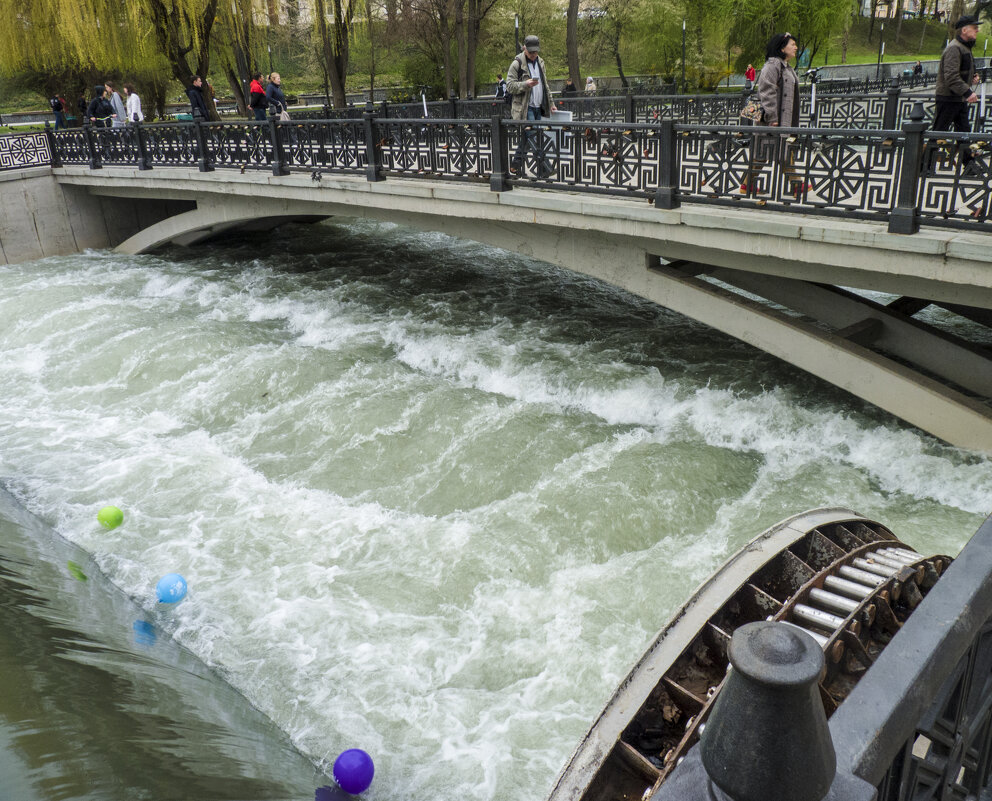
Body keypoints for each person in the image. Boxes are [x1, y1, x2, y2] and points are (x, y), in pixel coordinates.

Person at [742, 32, 803, 195]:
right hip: (771, 121)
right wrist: (772, 117)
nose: (795, 47)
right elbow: (766, 92)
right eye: (792, 44)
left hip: (782, 120)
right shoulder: (772, 65)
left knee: (774, 152)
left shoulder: (785, 66)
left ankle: (747, 184)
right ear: (782, 48)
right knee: (772, 152)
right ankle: (797, 184)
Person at [933, 15, 982, 173]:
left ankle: (970, 167)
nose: (977, 30)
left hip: (957, 99)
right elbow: (951, 77)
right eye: (974, 28)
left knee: (964, 133)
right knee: (937, 134)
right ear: (964, 29)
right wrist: (968, 92)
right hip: (948, 99)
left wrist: (972, 78)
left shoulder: (964, 47)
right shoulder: (954, 48)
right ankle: (922, 166)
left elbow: (961, 72)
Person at [506, 35, 557, 177]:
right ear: (525, 49)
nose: (534, 55)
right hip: (525, 108)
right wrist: (525, 84)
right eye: (531, 52)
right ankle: (545, 167)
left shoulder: (540, 62)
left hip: (538, 107)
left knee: (527, 138)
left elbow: (545, 84)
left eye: (536, 52)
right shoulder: (517, 63)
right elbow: (509, 86)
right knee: (534, 137)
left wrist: (551, 103)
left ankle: (515, 166)